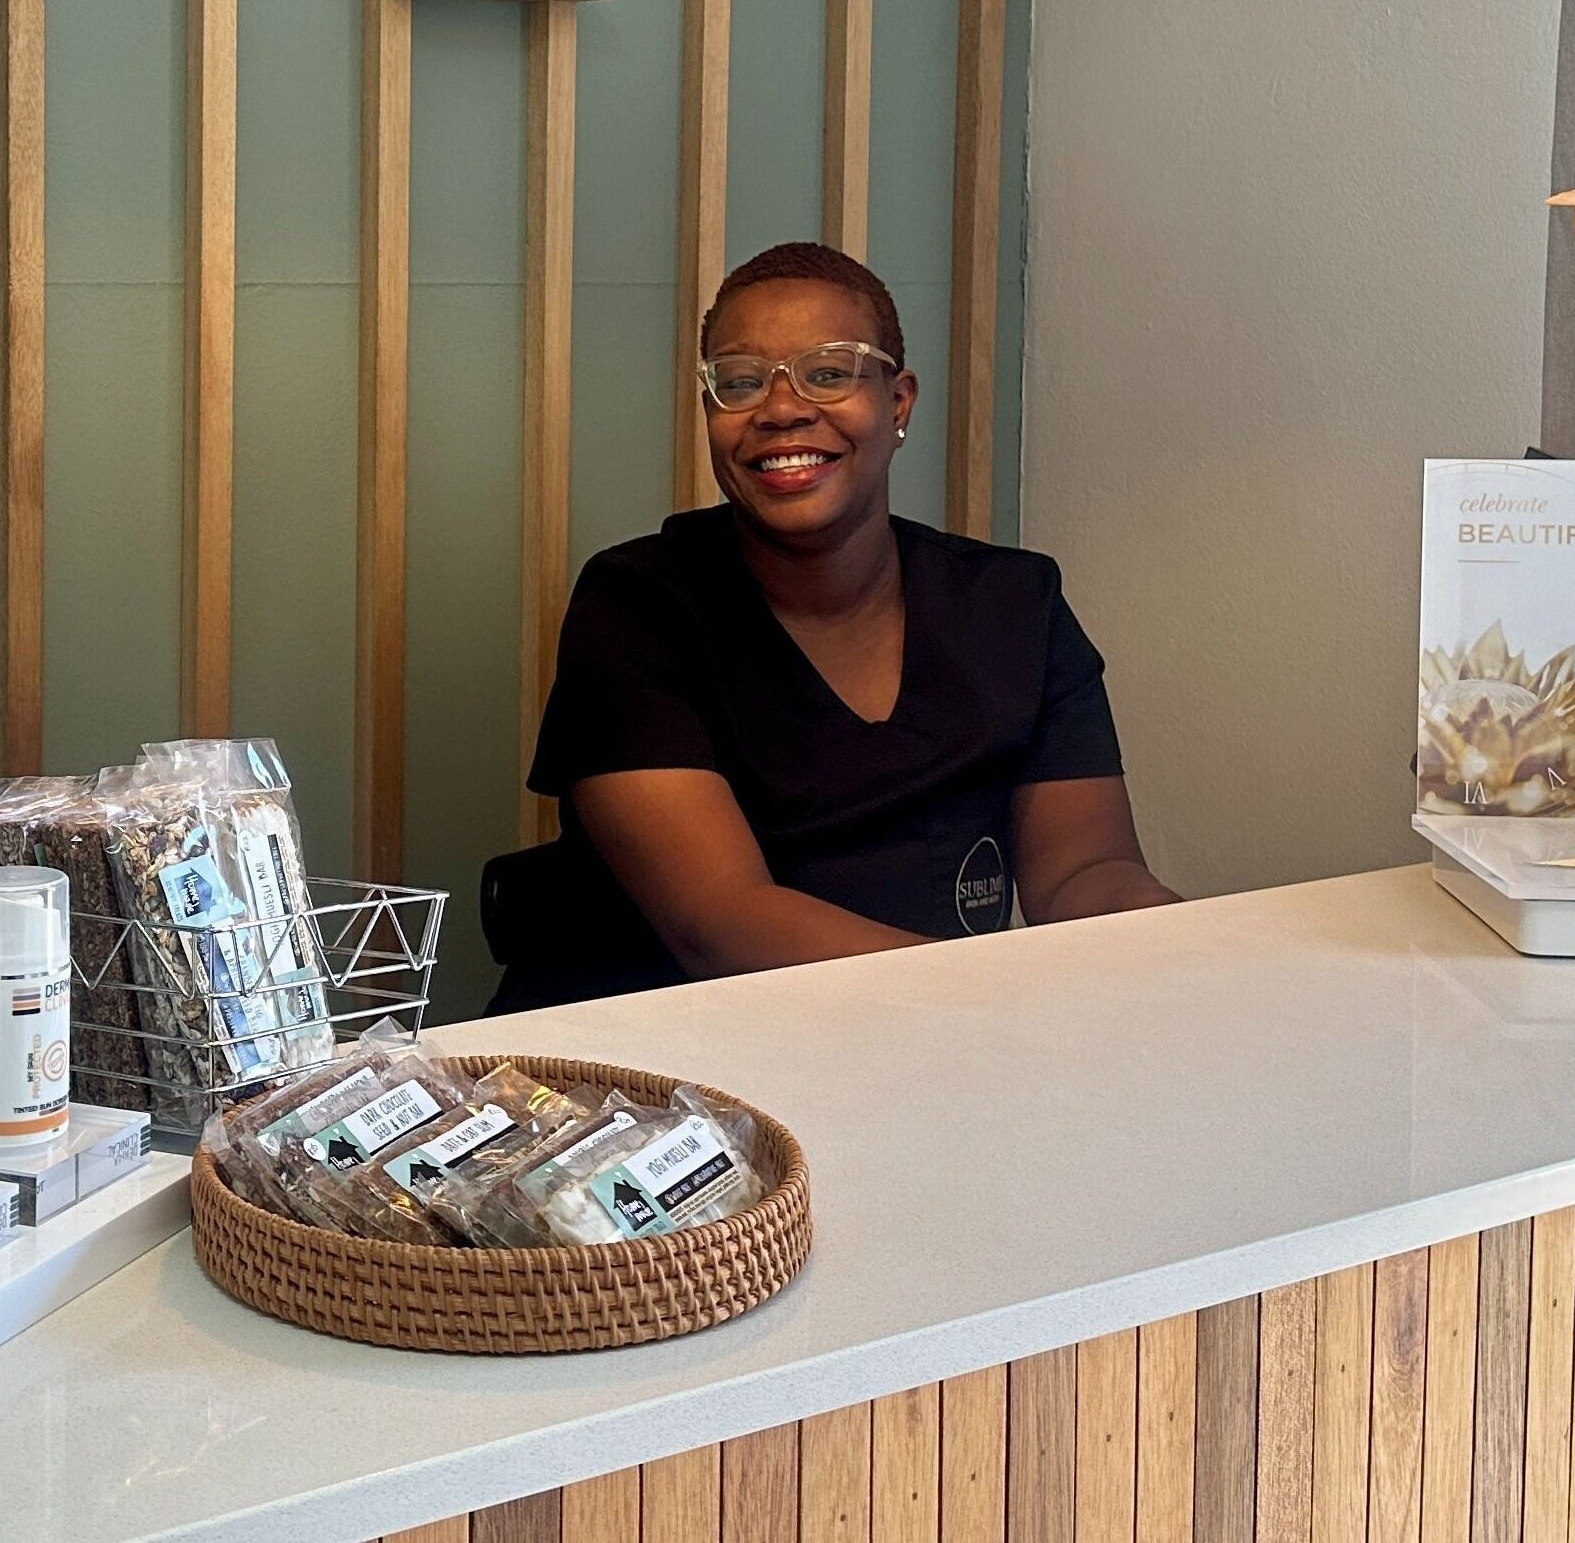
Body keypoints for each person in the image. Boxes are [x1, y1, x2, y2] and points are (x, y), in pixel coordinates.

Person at [485, 240, 1175, 1011]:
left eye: (829, 372)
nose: (782, 408)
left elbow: (1084, 872)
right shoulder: (636, 607)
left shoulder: (1015, 604)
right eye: (740, 382)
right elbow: (721, 922)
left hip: (928, 1033)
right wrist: (996, 996)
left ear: (898, 402)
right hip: (645, 1063)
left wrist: (1176, 938)